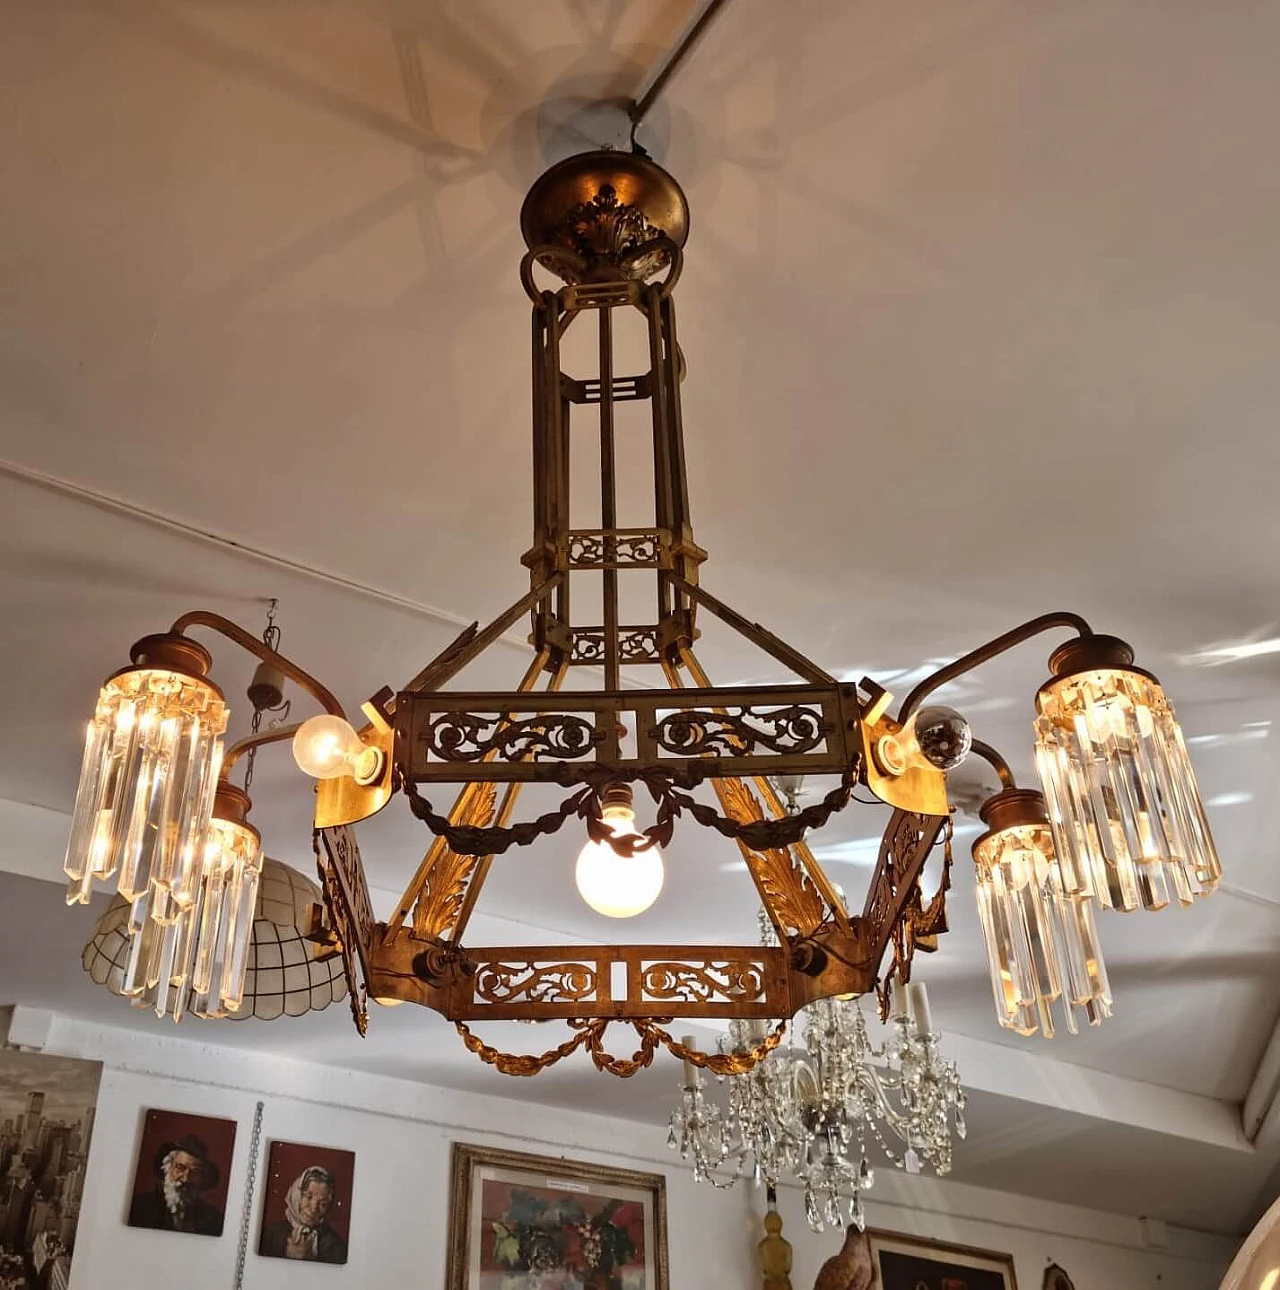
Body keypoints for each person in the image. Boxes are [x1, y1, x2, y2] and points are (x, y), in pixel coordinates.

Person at [128, 1134, 225, 1236]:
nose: (185, 1179)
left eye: (195, 1172)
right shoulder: (140, 1207)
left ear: (202, 1178)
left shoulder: (212, 1218)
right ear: (168, 1167)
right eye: (180, 1167)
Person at [259, 1165, 348, 1264]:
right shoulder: (271, 1234)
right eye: (308, 1197)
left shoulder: (335, 1246)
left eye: (323, 1204)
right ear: (297, 1196)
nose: (314, 1208)